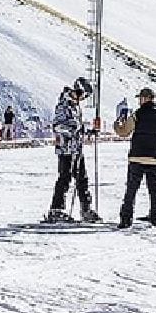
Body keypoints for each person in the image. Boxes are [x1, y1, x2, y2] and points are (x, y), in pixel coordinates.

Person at [113, 88, 156, 228]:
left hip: (136, 157)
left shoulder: (136, 114)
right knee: (154, 190)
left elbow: (124, 132)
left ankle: (126, 219)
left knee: (131, 190)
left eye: (140, 98)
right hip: (155, 158)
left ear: (145, 99)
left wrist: (117, 124)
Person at [46, 80, 101, 223]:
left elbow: (78, 128)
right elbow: (58, 126)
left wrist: (91, 131)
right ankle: (56, 209)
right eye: (83, 95)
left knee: (82, 179)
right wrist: (74, 129)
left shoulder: (75, 106)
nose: (83, 99)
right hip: (66, 149)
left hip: (77, 148)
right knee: (65, 178)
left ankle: (86, 209)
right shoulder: (63, 105)